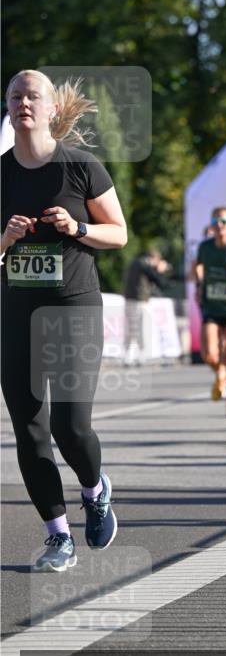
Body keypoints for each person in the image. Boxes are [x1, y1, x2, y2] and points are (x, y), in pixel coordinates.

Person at [1, 69, 127, 572]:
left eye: (32, 96)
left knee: (70, 427)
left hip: (74, 307)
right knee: (29, 430)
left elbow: (118, 234)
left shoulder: (80, 166)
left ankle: (95, 491)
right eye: (14, 97)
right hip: (16, 312)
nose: (22, 103)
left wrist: (77, 227)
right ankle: (58, 536)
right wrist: (5, 241)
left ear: (52, 108)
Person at [194, 207, 226, 417]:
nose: (220, 225)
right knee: (209, 355)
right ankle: (220, 373)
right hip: (212, 305)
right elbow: (197, 266)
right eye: (216, 221)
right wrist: (199, 282)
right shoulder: (205, 247)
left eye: (224, 221)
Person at [123, 247, 171, 365]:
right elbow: (157, 279)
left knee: (132, 328)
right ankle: (137, 355)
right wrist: (159, 270)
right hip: (139, 300)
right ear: (153, 258)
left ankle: (130, 355)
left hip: (130, 299)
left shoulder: (136, 262)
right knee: (139, 328)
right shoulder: (143, 263)